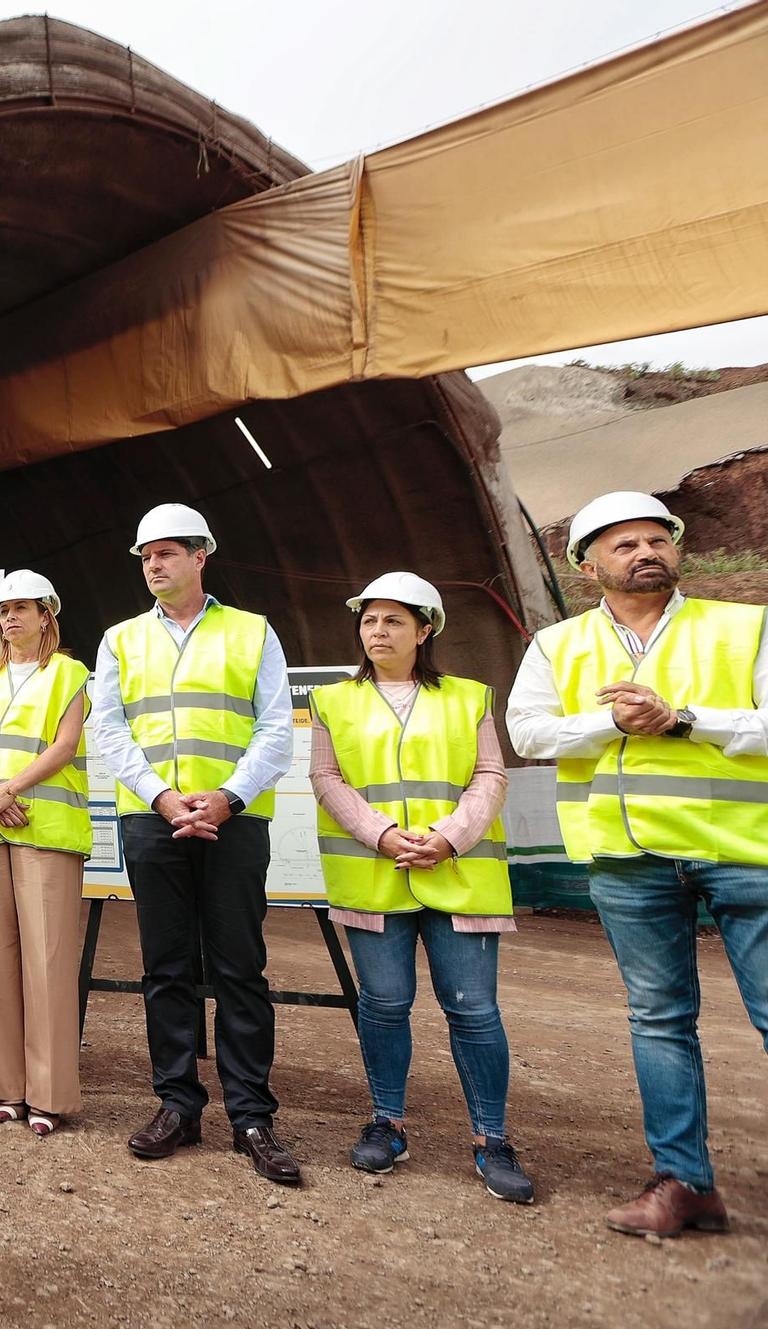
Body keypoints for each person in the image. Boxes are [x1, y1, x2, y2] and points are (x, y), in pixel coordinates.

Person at [510, 491, 768, 1238]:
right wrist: (609, 721)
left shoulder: (742, 626)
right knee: (659, 1020)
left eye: (657, 539)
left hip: (740, 849)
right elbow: (527, 731)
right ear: (589, 566)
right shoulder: (557, 645)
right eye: (623, 545)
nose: (645, 551)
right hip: (627, 858)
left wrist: (684, 718)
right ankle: (684, 1182)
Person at [309, 572, 535, 1204]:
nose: (377, 632)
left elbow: (490, 774)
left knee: (473, 1010)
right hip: (372, 873)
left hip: (458, 873)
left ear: (425, 630)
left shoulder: (468, 697)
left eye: (393, 622)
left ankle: (492, 1138)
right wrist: (381, 834)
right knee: (382, 1004)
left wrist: (449, 837)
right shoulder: (334, 701)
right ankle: (387, 1123)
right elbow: (326, 779)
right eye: (369, 621)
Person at [91, 503, 300, 1185]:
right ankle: (178, 1105)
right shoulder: (120, 638)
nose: (155, 563)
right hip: (153, 821)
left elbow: (275, 727)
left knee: (240, 967)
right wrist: (161, 795)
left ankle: (251, 1116)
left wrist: (227, 797)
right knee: (167, 967)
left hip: (232, 820)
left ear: (201, 556)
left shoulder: (252, 631)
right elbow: (112, 729)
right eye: (146, 554)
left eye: (168, 552)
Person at [0, 571, 91, 1136]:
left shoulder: (69, 674)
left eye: (22, 608)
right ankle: (6, 1088)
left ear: (47, 615)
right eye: (4, 609)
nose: (10, 617)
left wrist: (10, 789)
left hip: (45, 829)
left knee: (47, 961)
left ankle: (48, 1095)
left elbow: (64, 746)